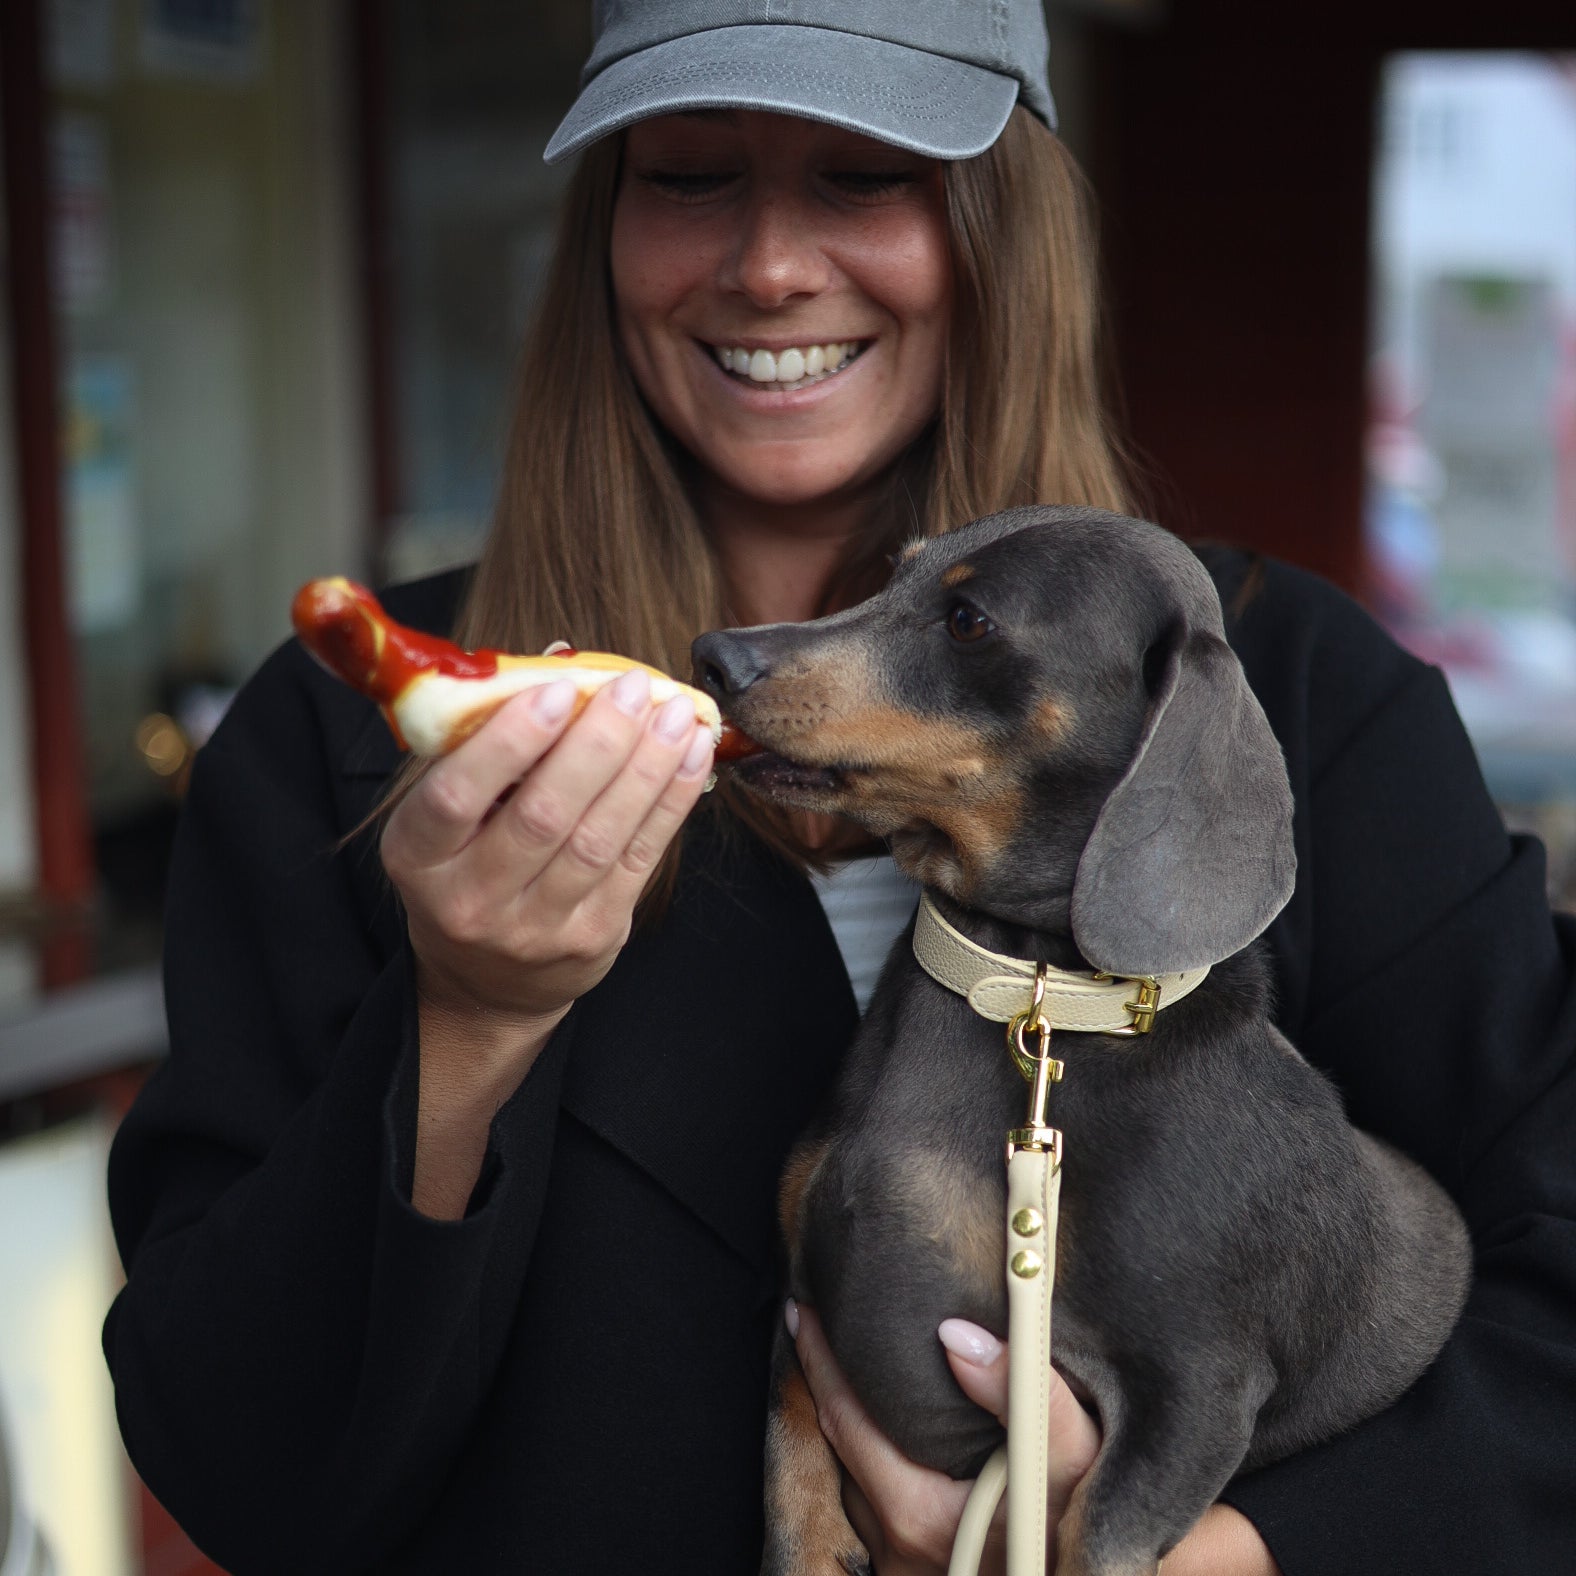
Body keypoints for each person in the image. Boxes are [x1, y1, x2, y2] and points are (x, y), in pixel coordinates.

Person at [103, 4, 1576, 1573]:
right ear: (604, 224)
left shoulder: (1280, 703)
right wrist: (467, 1020)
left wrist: (1215, 1555)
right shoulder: (350, 743)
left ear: (1007, 224)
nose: (769, 265)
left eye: (867, 175)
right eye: (686, 175)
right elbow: (236, 1463)